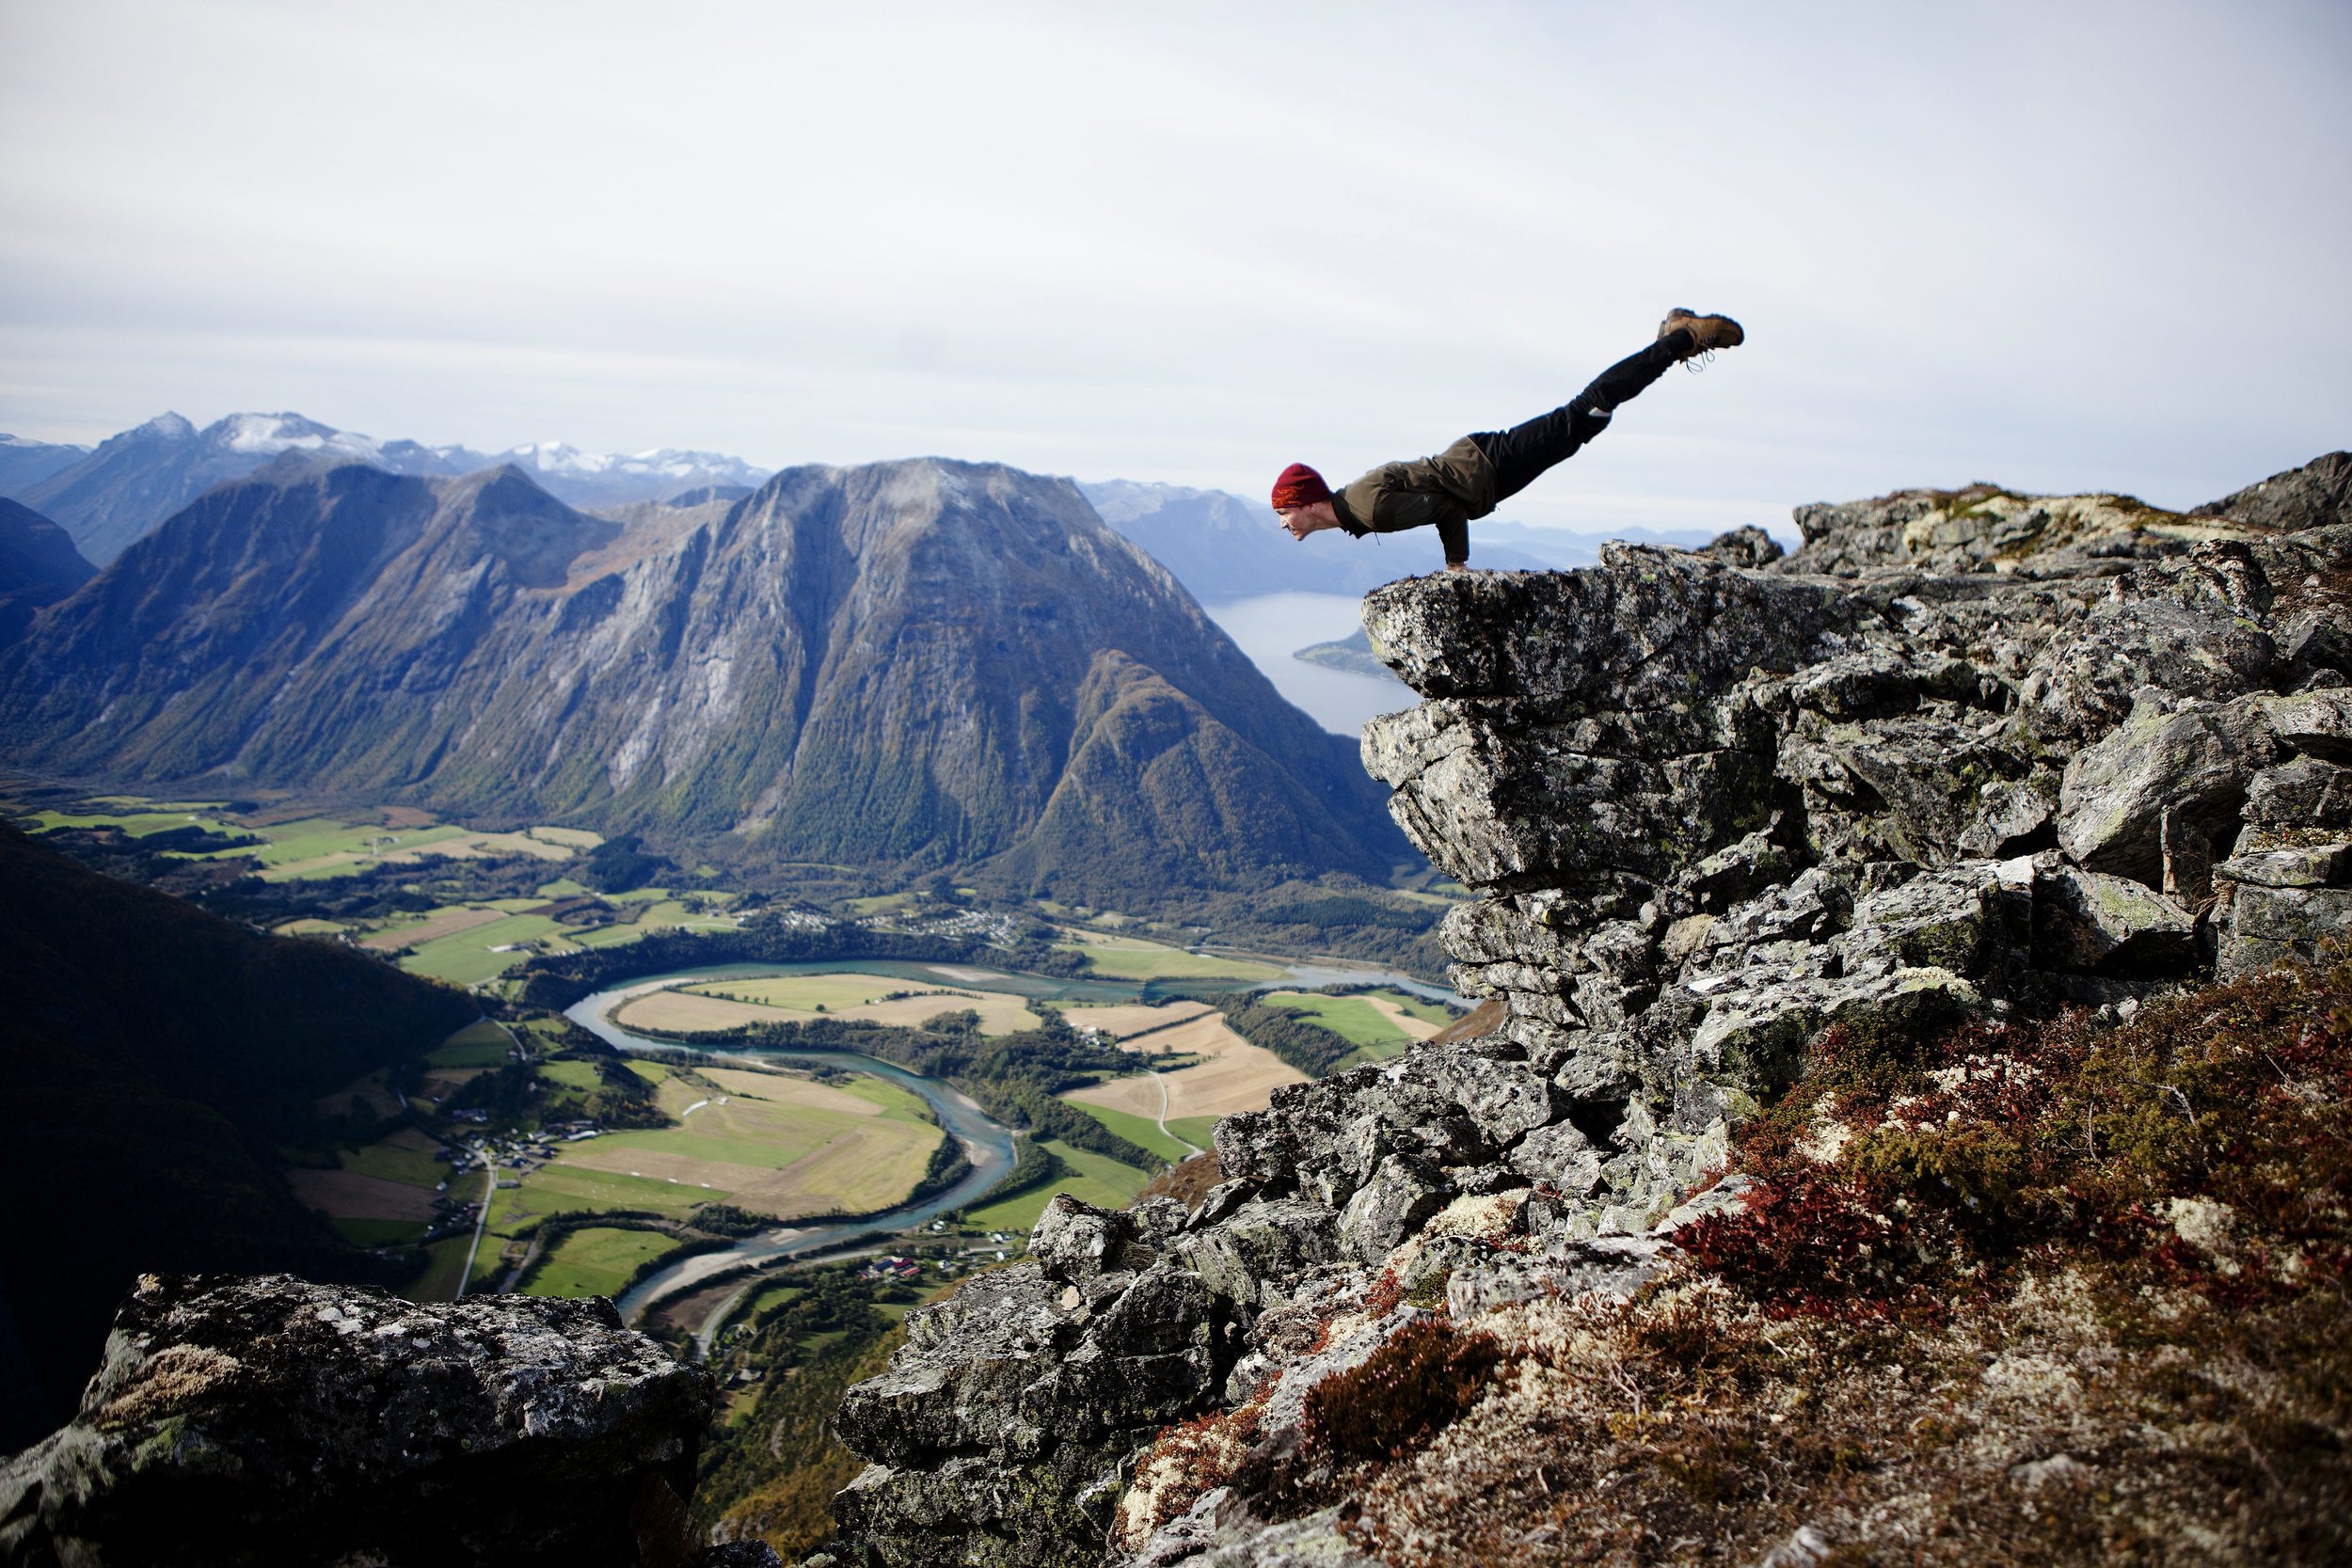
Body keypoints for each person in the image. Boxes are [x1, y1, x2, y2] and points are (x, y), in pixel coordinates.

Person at [1270, 309, 1743, 570]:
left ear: (1306, 502)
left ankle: (1680, 340)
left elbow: (1446, 508)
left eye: (1283, 511)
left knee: (1585, 414)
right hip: (1483, 468)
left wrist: (1457, 570)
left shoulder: (1367, 510)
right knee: (1584, 421)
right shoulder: (1355, 506)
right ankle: (1670, 336)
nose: (1282, 522)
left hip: (1487, 468)